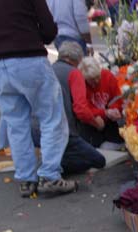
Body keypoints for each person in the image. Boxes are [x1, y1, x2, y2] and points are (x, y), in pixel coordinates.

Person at [0, 0, 78, 197]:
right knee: (51, 117)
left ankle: (26, 179)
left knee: (15, 123)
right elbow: (49, 29)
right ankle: (49, 176)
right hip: (29, 58)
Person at [32, 42, 106, 174]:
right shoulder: (74, 73)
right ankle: (53, 165)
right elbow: (81, 110)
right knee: (99, 160)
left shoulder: (48, 69)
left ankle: (50, 160)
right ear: (78, 59)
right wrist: (96, 123)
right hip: (60, 131)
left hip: (36, 130)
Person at [77, 57, 124, 150]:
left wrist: (115, 109)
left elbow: (117, 98)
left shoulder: (108, 76)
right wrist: (104, 113)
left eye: (97, 77)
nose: (96, 82)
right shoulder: (81, 84)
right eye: (91, 80)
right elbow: (84, 109)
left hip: (110, 120)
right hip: (92, 122)